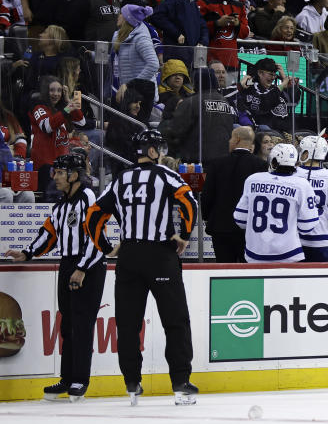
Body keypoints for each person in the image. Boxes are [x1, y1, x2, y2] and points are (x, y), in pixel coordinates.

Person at [84, 130, 199, 405]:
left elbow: (94, 215)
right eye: (157, 147)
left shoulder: (121, 179)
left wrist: (105, 245)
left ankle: (132, 383)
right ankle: (181, 383)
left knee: (127, 323)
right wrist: (184, 233)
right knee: (175, 321)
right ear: (150, 151)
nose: (160, 152)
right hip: (159, 254)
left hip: (130, 257)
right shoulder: (164, 175)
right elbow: (188, 201)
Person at [4, 154, 105, 401]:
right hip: (69, 264)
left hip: (88, 265)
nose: (55, 177)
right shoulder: (61, 205)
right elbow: (49, 234)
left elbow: (97, 239)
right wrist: (27, 253)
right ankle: (67, 378)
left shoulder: (88, 198)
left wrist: (81, 269)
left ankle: (80, 379)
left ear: (74, 175)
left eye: (60, 173)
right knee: (67, 325)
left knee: (81, 325)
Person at [233, 142, 320, 263]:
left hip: (254, 254)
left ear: (272, 161)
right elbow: (307, 226)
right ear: (295, 162)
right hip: (289, 254)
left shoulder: (253, 179)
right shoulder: (301, 184)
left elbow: (240, 220)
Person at [200, 126, 267, 263]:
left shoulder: (217, 164)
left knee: (223, 270)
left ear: (237, 139)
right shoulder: (260, 165)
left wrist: (208, 217)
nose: (229, 141)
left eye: (231, 138)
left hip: (220, 228)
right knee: (247, 271)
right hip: (249, 229)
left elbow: (207, 195)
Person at [159, 68, 234, 163]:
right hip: (223, 159)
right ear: (214, 81)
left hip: (197, 161)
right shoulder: (225, 102)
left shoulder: (191, 102)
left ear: (197, 82)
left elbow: (175, 131)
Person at [30, 75, 86, 195]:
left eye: (59, 90)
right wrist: (67, 109)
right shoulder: (38, 108)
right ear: (45, 92)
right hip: (45, 166)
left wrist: (67, 100)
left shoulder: (61, 109)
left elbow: (81, 122)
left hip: (62, 165)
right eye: (52, 90)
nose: (56, 94)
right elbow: (47, 127)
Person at [296, 135, 328, 262]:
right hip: (321, 241)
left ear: (306, 152)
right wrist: (323, 225)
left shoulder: (292, 174)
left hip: (294, 242)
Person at [151, 0, 209, 66]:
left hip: (192, 57)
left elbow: (203, 26)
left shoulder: (193, 4)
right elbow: (157, 16)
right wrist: (176, 33)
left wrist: (203, 42)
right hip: (176, 55)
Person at [197, 0, 250, 71]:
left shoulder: (239, 6)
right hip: (208, 61)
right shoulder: (203, 3)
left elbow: (246, 33)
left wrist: (237, 24)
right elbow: (196, 31)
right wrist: (217, 23)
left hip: (232, 62)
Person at [113, 4, 161, 106]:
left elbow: (153, 64)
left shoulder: (141, 38)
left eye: (121, 13)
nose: (118, 15)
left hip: (142, 98)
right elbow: (115, 59)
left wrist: (131, 84)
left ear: (128, 19)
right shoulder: (119, 36)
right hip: (129, 96)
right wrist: (94, 55)